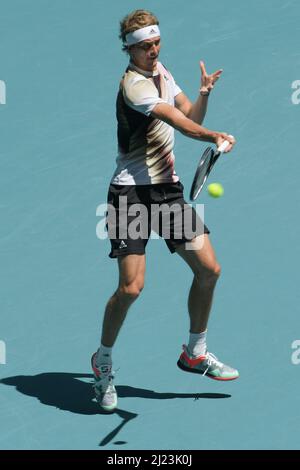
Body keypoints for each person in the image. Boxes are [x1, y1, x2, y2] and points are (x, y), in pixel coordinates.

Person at [91, 9, 239, 412]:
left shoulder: (164, 72)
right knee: (131, 288)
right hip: (130, 196)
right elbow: (180, 124)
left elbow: (189, 114)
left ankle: (195, 352)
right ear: (129, 49)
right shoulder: (134, 87)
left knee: (209, 269)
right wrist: (214, 135)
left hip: (168, 193)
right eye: (144, 46)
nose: (152, 50)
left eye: (156, 42)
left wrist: (204, 94)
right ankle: (102, 362)